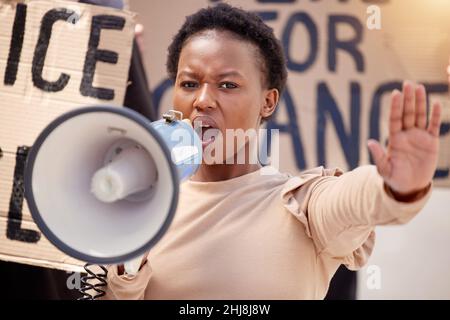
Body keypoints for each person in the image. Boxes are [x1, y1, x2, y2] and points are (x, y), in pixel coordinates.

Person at [101, 3, 442, 299]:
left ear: (267, 102)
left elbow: (354, 197)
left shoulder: (301, 206)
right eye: (189, 83)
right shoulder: (140, 208)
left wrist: (396, 186)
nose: (202, 100)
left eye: (228, 84)